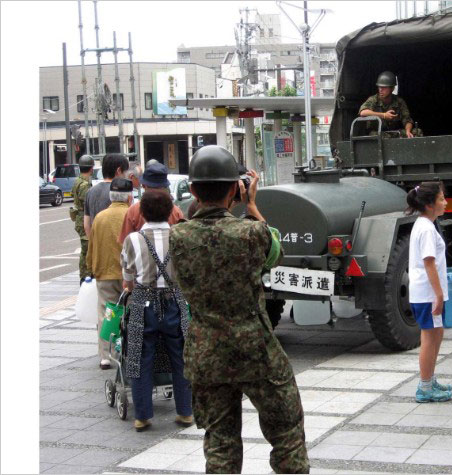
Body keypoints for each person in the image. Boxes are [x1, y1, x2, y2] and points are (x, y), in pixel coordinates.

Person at [169, 145, 308, 474]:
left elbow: (196, 224)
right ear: (235, 188)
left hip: (205, 353)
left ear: (191, 190)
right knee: (286, 431)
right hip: (255, 350)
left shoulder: (178, 236)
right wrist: (252, 205)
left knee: (220, 439)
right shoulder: (252, 232)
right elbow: (276, 251)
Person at [120, 190, 193, 432]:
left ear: (142, 212)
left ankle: (142, 416)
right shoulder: (181, 236)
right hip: (175, 301)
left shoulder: (133, 240)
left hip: (143, 303)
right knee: (181, 357)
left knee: (140, 359)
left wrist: (135, 290)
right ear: (171, 210)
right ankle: (185, 412)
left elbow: (128, 276)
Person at [406, 182, 452, 403]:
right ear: (429, 204)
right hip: (427, 294)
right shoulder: (425, 228)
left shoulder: (424, 224)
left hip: (427, 293)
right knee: (429, 338)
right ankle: (425, 386)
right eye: (442, 198)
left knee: (436, 335)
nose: (445, 202)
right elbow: (429, 263)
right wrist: (439, 294)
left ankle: (429, 379)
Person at [86, 177, 134, 370]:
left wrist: (91, 267)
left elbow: (92, 245)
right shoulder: (132, 215)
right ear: (129, 197)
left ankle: (106, 356)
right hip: (128, 274)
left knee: (107, 312)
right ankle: (126, 350)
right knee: (129, 312)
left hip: (104, 272)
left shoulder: (100, 217)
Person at [117, 163, 184, 244]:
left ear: (144, 186)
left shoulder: (133, 211)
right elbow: (182, 244)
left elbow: (125, 244)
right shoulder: (175, 212)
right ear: (165, 187)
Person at [359, 71, 421, 138]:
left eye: (384, 87)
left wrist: (408, 131)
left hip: (394, 132)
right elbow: (363, 112)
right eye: (379, 87)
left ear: (392, 88)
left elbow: (407, 119)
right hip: (377, 133)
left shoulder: (399, 101)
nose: (380, 90)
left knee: (417, 132)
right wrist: (384, 115)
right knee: (378, 135)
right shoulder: (373, 99)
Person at [84, 153, 130, 236]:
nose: (126, 176)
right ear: (119, 171)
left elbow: (86, 225)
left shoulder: (90, 191)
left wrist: (93, 244)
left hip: (97, 244)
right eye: (125, 172)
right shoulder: (122, 192)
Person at [70, 155, 94, 284]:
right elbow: (87, 202)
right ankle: (85, 276)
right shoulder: (84, 184)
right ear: (91, 168)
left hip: (80, 218)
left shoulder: (78, 180)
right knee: (86, 250)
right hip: (83, 219)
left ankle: (85, 275)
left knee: (86, 249)